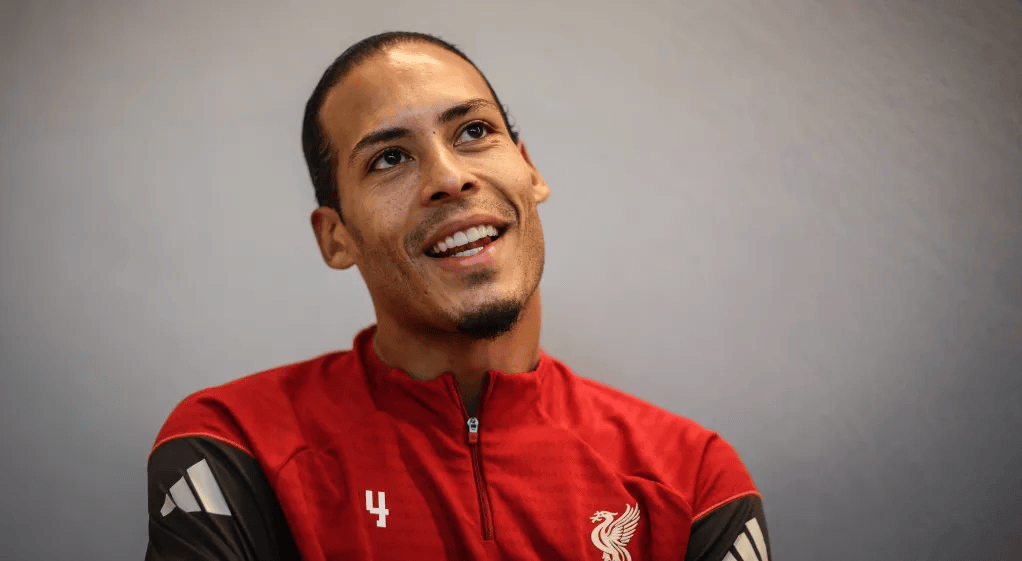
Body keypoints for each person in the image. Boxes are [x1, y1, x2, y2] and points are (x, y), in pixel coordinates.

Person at [144, 31, 771, 561]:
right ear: (336, 237)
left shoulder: (693, 479)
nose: (449, 177)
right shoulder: (234, 445)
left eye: (473, 131)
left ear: (530, 171)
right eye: (390, 158)